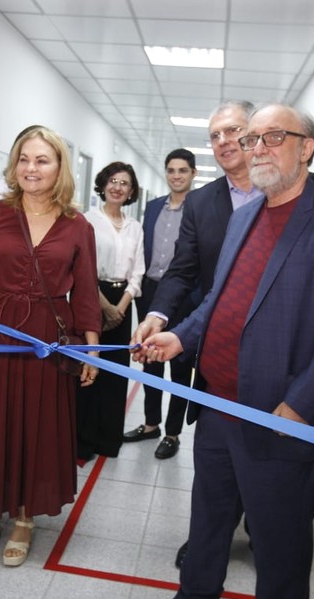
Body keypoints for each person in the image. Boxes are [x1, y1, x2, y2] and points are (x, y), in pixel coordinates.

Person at [135, 103, 314, 599]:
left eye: (274, 137)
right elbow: (220, 302)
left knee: (279, 532)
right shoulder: (246, 213)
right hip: (219, 400)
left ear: (306, 146)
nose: (258, 148)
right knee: (210, 511)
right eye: (253, 140)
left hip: (281, 413)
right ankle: (196, 597)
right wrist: (182, 337)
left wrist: (298, 407)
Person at [0, 126, 101, 567]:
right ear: (14, 166)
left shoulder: (77, 225)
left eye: (42, 160)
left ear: (59, 167)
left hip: (48, 340)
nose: (31, 168)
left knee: (37, 424)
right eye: (24, 159)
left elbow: (85, 291)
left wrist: (91, 348)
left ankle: (26, 515)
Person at [131, 100, 260, 565]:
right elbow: (183, 270)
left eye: (235, 131)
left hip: (272, 360)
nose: (224, 141)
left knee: (265, 462)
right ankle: (210, 540)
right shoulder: (203, 203)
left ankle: (262, 534)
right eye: (215, 135)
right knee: (216, 457)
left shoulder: (289, 194)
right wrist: (160, 315)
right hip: (218, 353)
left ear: (259, 135)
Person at [122, 148, 198, 460]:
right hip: (152, 293)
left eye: (182, 170)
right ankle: (151, 423)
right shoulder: (153, 207)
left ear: (193, 173)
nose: (176, 176)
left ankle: (173, 433)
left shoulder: (201, 207)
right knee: (150, 362)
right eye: (171, 170)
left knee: (180, 368)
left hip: (185, 295)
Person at [77, 162, 144, 460]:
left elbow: (138, 272)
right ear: (103, 184)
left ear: (131, 191)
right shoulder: (86, 220)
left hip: (123, 302)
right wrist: (104, 305)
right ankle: (83, 441)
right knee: (90, 370)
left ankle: (108, 440)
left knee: (116, 374)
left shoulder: (135, 227)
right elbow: (82, 268)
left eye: (124, 183)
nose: (118, 187)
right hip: (91, 296)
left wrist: (120, 307)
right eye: (113, 181)